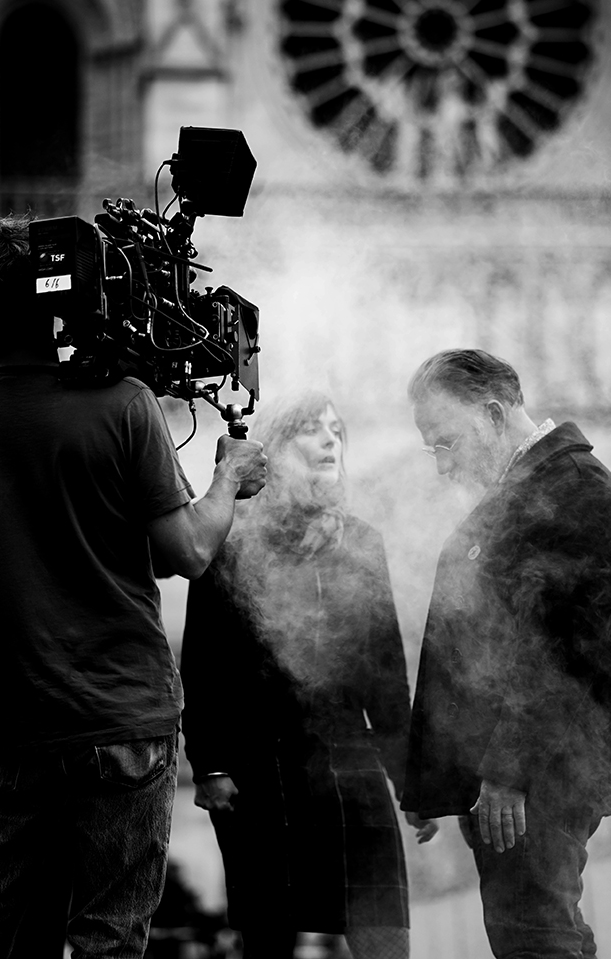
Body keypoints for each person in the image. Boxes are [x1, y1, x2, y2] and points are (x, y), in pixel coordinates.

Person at [0, 215, 268, 959]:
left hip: (11, 726)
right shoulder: (124, 405)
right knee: (109, 939)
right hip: (122, 720)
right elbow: (189, 552)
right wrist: (229, 477)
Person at [400, 349, 611, 959]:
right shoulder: (532, 488)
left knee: (535, 936)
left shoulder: (578, 493)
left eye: (447, 443)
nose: (444, 466)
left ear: (495, 414)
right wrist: (437, 781)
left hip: (539, 771)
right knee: (543, 931)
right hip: (519, 771)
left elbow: (568, 657)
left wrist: (508, 769)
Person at [180, 391, 437, 959]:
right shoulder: (230, 535)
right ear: (274, 446)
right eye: (312, 430)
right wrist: (211, 765)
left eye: (337, 430)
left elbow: (386, 675)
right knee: (269, 942)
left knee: (385, 938)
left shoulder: (361, 541)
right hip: (257, 770)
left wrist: (411, 781)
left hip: (351, 763)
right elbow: (202, 663)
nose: (330, 440)